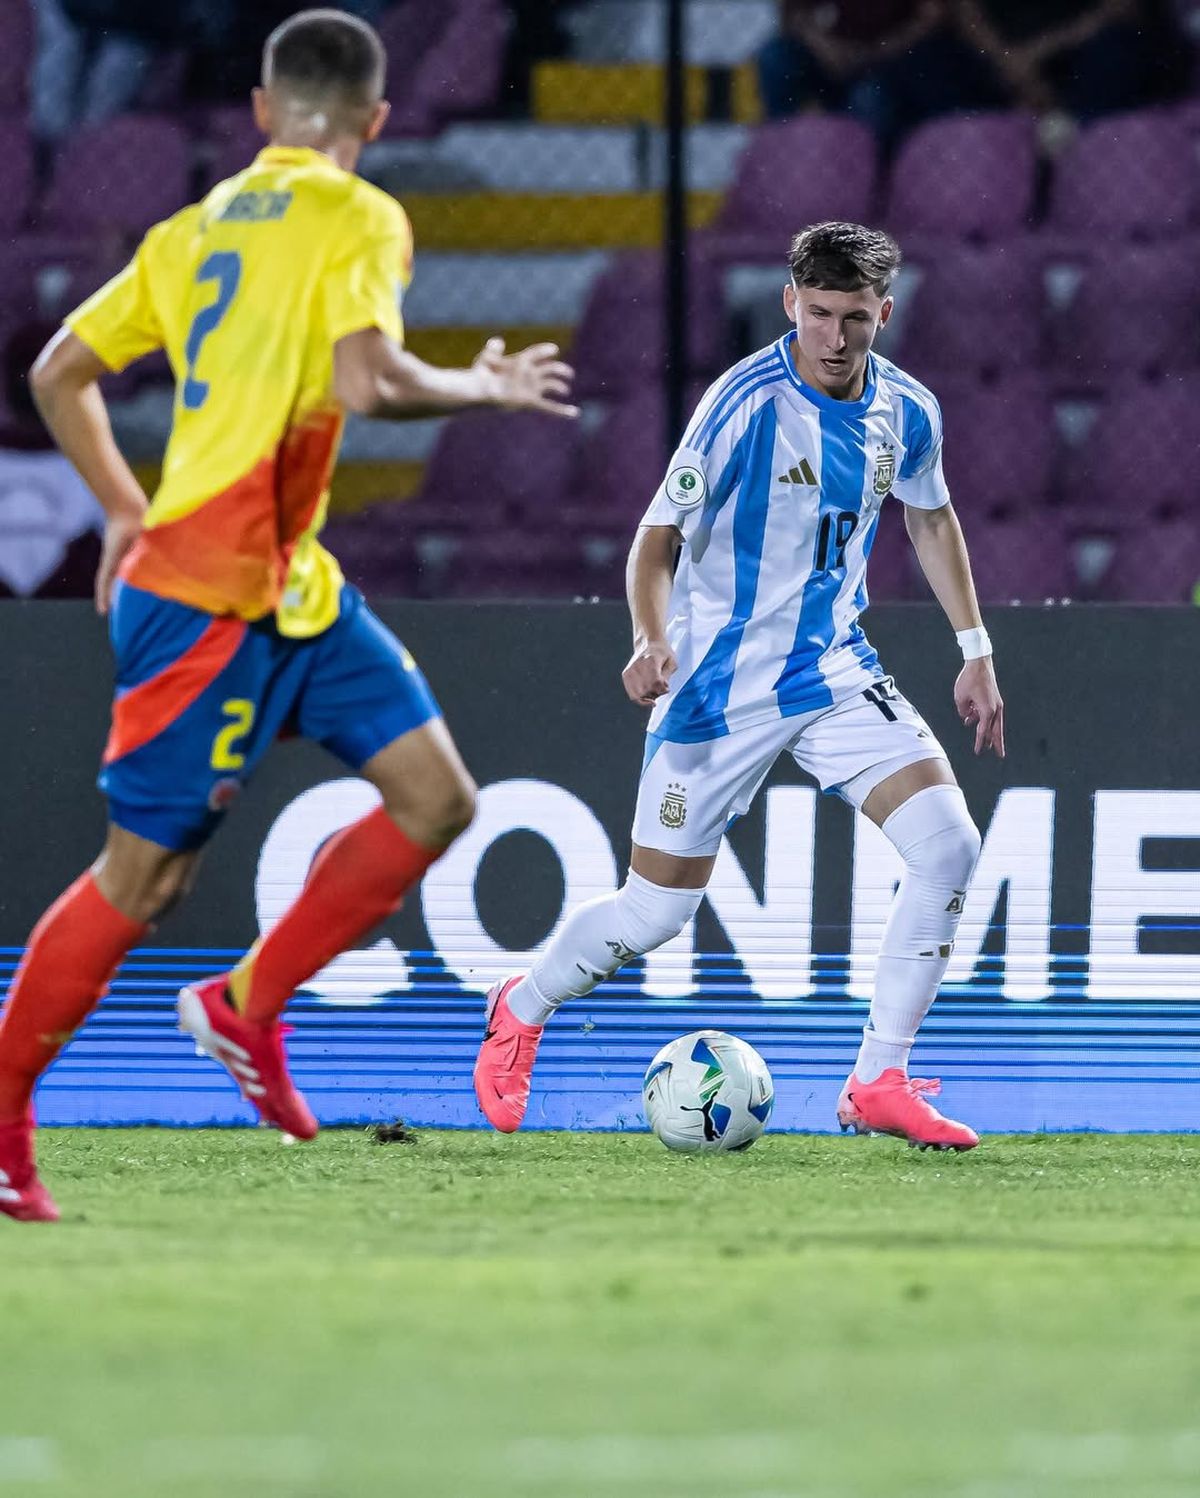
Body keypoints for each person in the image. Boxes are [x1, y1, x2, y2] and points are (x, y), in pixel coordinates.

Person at [0, 7, 577, 1224]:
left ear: (263, 111)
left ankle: (246, 1002)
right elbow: (370, 379)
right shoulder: (360, 213)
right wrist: (482, 384)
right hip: (201, 596)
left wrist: (118, 504)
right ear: (373, 122)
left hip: (291, 584)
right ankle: (3, 1124)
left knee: (437, 798)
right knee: (140, 880)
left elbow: (57, 369)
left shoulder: (191, 225)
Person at [475, 221, 1004, 1152]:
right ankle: (520, 1005)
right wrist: (649, 637)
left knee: (948, 848)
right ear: (791, 303)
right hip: (718, 687)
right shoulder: (743, 403)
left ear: (884, 313)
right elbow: (656, 540)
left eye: (856, 320)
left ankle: (878, 1078)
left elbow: (932, 518)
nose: (835, 340)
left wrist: (975, 647)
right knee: (656, 914)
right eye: (819, 315)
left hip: (835, 670)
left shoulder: (908, 411)